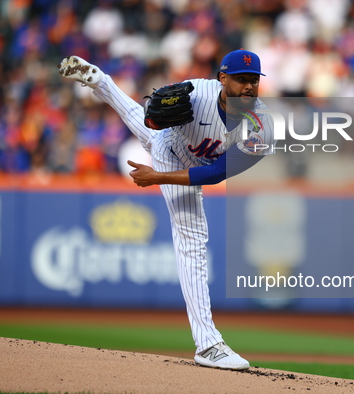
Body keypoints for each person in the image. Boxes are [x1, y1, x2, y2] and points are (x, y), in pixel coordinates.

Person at [58, 49, 272, 370]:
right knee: (192, 240)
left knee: (135, 123)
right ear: (222, 79)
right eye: (241, 79)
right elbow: (152, 114)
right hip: (170, 149)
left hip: (185, 164)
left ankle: (99, 80)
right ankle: (208, 345)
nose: (248, 87)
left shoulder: (261, 127)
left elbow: (215, 174)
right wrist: (153, 118)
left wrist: (156, 177)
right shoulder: (198, 93)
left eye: (253, 80)